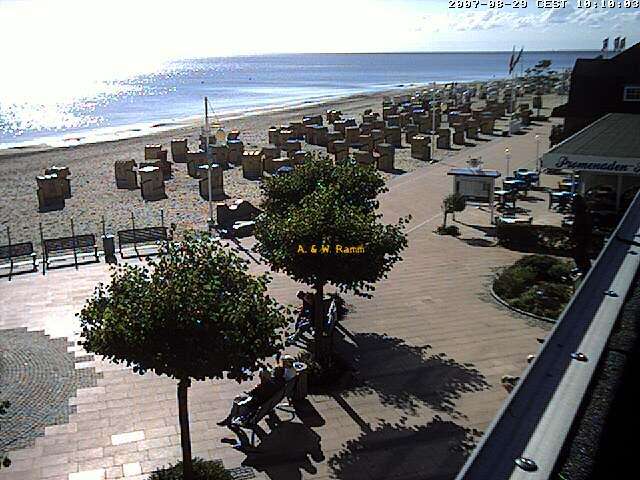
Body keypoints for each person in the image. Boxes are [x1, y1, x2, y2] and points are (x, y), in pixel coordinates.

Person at [217, 367, 285, 426]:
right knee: (240, 398)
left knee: (236, 402)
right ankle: (229, 418)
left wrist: (248, 394)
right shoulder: (274, 384)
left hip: (254, 405)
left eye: (260, 376)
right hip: (264, 402)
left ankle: (229, 419)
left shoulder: (262, 387)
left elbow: (252, 395)